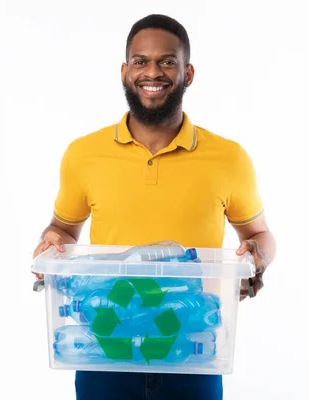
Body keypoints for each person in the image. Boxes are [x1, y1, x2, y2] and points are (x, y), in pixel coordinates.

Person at [32, 13, 277, 400]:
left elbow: (259, 234)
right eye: (140, 61)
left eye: (167, 61)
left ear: (188, 73)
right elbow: (62, 229)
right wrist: (50, 243)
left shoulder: (229, 158)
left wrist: (257, 258)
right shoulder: (84, 154)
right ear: (125, 71)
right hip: (106, 347)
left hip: (192, 346)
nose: (153, 72)